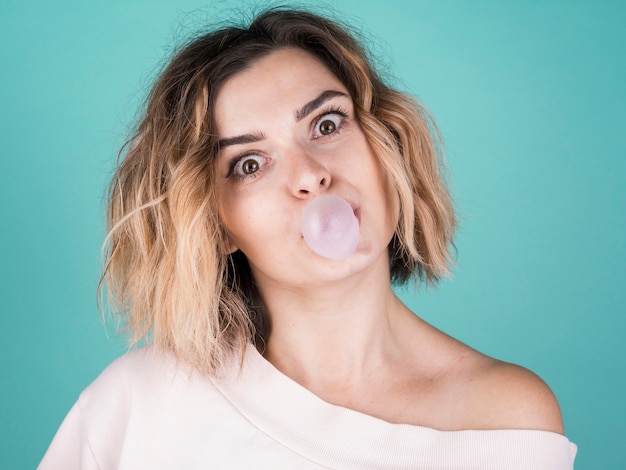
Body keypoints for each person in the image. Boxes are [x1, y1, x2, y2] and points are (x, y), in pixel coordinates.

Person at [39, 8, 577, 469]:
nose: (309, 176)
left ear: (384, 141)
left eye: (326, 125)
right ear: (216, 223)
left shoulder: (505, 417)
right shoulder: (138, 404)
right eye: (250, 163)